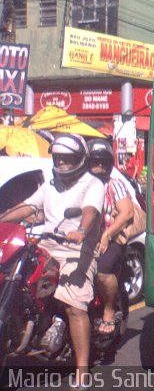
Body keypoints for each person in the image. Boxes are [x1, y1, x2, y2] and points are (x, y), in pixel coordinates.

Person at [0, 134, 104, 389]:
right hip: (47, 244)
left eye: (67, 158)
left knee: (74, 306)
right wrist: (4, 217)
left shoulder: (93, 184)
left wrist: (81, 229)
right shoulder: (51, 183)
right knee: (16, 280)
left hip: (77, 250)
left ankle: (82, 372)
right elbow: (29, 207)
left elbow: (90, 210)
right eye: (58, 157)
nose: (62, 162)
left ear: (80, 158)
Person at [87, 139, 134, 336]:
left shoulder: (115, 184)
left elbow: (127, 213)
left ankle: (109, 308)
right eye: (94, 162)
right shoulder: (81, 186)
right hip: (83, 241)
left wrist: (107, 234)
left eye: (103, 163)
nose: (99, 167)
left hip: (111, 239)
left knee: (103, 271)